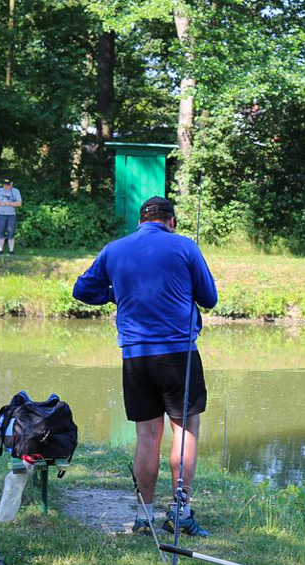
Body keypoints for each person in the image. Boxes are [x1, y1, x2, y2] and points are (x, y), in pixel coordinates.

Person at [72, 196, 218, 537]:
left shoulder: (114, 249)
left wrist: (115, 293)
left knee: (146, 437)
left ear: (140, 221)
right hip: (179, 355)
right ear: (170, 221)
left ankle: (144, 517)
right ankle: (180, 514)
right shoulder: (185, 247)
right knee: (184, 432)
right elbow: (209, 299)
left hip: (135, 357)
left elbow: (82, 289)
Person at [0, 177, 22, 256]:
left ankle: (11, 251)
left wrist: (9, 203)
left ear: (11, 184)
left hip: (11, 215)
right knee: (0, 232)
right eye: (5, 185)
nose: (6, 186)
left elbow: (19, 203)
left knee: (11, 233)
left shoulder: (16, 191)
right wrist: (0, 203)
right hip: (1, 215)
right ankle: (0, 250)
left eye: (8, 185)